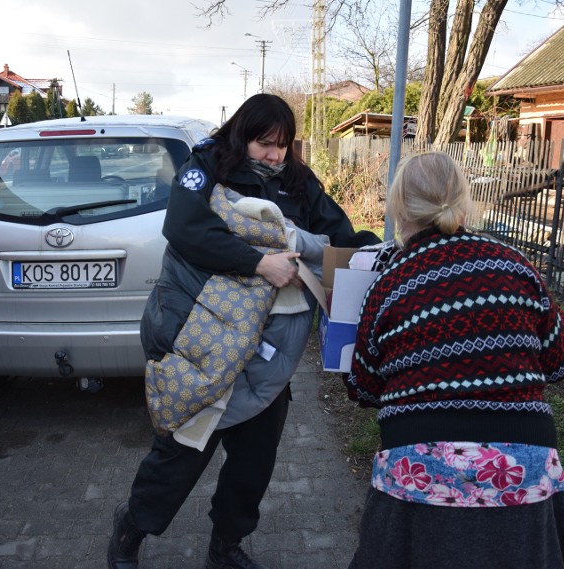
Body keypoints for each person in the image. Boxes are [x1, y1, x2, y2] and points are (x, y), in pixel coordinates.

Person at [108, 93, 381, 569]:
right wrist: (259, 263)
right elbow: (186, 227)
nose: (275, 155)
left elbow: (339, 233)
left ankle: (226, 545)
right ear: (241, 133)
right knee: (182, 453)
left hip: (268, 350)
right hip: (202, 339)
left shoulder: (297, 179)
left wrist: (381, 253)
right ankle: (132, 528)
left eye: (283, 144)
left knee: (253, 465)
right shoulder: (206, 164)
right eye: (264, 144)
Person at [344, 152, 564, 569]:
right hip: (522, 468)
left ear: (399, 207)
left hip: (419, 471)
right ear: (462, 199)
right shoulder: (514, 264)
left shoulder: (389, 285)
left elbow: (361, 386)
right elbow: (561, 360)